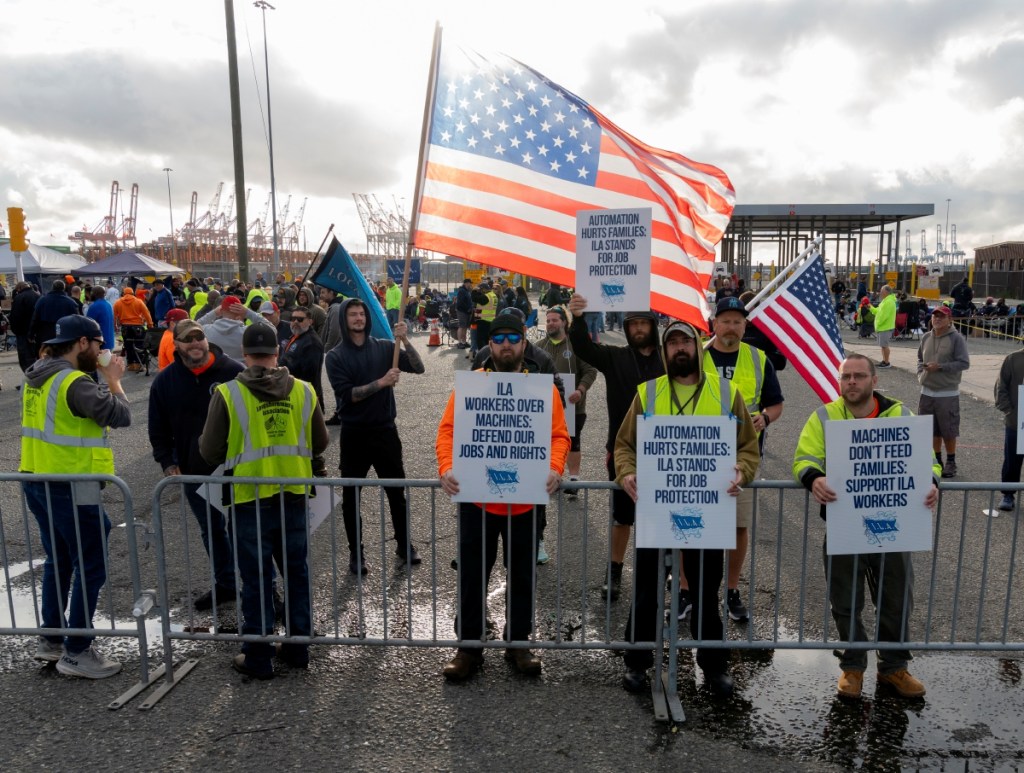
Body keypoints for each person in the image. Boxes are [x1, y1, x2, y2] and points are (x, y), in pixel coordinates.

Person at [613, 320, 759, 697]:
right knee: (646, 590)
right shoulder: (647, 393)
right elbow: (624, 445)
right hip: (656, 509)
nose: (679, 348)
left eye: (685, 342)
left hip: (707, 511)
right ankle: (637, 662)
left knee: (706, 592)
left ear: (697, 347)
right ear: (665, 351)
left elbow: (747, 445)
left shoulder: (728, 393)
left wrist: (742, 470)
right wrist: (626, 473)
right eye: (672, 343)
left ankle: (713, 666)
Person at [793, 353, 939, 699]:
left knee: (896, 599)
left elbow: (927, 460)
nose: (852, 383)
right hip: (845, 524)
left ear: (875, 380)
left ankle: (894, 668)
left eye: (859, 376)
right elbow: (804, 457)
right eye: (846, 377)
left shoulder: (900, 415)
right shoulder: (824, 415)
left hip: (895, 525)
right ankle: (853, 667)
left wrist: (932, 481)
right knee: (845, 600)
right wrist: (813, 478)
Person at [436, 312, 570, 680]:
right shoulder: (470, 386)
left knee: (523, 574)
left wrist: (556, 467)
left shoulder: (540, 387)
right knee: (472, 574)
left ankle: (519, 643)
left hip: (525, 500)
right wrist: (446, 467)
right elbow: (447, 431)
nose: (507, 344)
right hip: (477, 500)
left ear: (524, 344)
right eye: (499, 339)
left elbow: (560, 436)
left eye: (514, 337)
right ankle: (468, 646)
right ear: (489, 346)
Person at [199, 323, 329, 679]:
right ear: (277, 353)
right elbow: (319, 443)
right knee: (297, 573)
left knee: (256, 579)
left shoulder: (228, 393)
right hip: (294, 494)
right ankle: (298, 647)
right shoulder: (303, 391)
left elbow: (209, 452)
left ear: (244, 355)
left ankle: (257, 655)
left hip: (249, 500)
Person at [20, 314, 131, 678]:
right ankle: (77, 651)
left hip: (37, 478)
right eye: (99, 344)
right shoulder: (73, 381)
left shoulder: (38, 373)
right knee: (91, 562)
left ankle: (52, 640)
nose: (102, 350)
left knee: (60, 560)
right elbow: (121, 416)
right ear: (81, 343)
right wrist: (113, 381)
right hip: (71, 484)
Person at [568, 294, 664, 601]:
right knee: (622, 516)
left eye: (643, 324)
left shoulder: (669, 359)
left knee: (664, 514)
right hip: (624, 451)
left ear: (652, 326)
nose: (638, 329)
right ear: (626, 328)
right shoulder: (616, 357)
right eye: (632, 324)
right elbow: (583, 348)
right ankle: (615, 570)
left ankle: (670, 571)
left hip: (666, 451)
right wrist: (579, 318)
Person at [149, 318, 244, 609]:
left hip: (238, 468)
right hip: (195, 471)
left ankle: (265, 591)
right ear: (176, 345)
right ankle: (225, 585)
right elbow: (158, 427)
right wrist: (167, 461)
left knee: (249, 531)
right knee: (212, 530)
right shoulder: (165, 381)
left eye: (199, 337)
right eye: (187, 339)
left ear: (207, 339)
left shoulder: (234, 372)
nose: (195, 344)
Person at [700, 296, 785, 624]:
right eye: (726, 321)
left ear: (745, 326)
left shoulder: (758, 358)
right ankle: (688, 590)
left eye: (738, 321)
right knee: (694, 525)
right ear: (715, 324)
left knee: (737, 526)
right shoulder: (698, 356)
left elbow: (776, 404)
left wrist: (765, 417)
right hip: (701, 456)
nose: (731, 327)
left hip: (742, 457)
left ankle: (731, 590)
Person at [325, 298, 425, 574]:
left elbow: (418, 367)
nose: (358, 318)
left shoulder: (384, 348)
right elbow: (348, 395)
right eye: (353, 315)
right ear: (344, 320)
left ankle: (404, 545)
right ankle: (356, 554)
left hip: (385, 432)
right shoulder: (335, 356)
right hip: (354, 434)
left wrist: (404, 340)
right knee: (351, 497)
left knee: (397, 493)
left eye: (362, 314)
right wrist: (382, 382)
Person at [536, 305, 598, 506]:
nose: (551, 323)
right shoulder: (538, 347)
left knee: (572, 441)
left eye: (555, 320)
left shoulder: (576, 346)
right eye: (548, 320)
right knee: (547, 442)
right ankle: (552, 476)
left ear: (564, 322)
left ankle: (573, 479)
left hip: (573, 407)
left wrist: (580, 390)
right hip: (546, 408)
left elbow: (590, 371)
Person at [916, 305, 970, 479]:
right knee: (930, 430)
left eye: (941, 316)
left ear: (949, 320)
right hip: (926, 392)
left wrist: (940, 367)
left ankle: (951, 461)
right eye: (935, 316)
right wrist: (921, 373)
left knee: (948, 430)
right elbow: (919, 358)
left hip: (947, 393)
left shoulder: (957, 339)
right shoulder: (925, 337)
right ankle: (936, 460)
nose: (937, 319)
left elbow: (964, 363)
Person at [196, 294, 273, 363]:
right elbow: (272, 329)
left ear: (221, 311)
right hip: (242, 376)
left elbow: (192, 326)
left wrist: (213, 313)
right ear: (240, 312)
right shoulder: (247, 332)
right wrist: (248, 312)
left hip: (216, 376)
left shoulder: (208, 330)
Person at [994, 343, 1024, 512]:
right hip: (1016, 422)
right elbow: (1001, 387)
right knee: (1012, 460)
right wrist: (1009, 411)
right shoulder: (1013, 359)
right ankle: (1008, 494)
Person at [281, 306, 325, 411]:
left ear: (310, 322)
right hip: (292, 392)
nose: (295, 322)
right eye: (293, 319)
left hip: (304, 398)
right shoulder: (297, 335)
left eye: (300, 319)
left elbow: (309, 377)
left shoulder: (311, 343)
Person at [30, 279, 79, 357]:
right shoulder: (71, 302)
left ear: (52, 288)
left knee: (46, 358)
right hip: (65, 336)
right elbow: (77, 321)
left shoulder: (42, 300)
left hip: (45, 335)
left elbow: (35, 319)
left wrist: (31, 335)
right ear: (64, 288)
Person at [112, 286, 154, 372]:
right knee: (139, 346)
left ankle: (131, 365)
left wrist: (115, 326)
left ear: (123, 293)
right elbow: (147, 313)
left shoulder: (118, 303)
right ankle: (139, 364)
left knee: (128, 346)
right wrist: (150, 324)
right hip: (137, 327)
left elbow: (114, 316)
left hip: (125, 327)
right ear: (132, 293)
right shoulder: (138, 301)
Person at [10, 281, 41, 375]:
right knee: (37, 356)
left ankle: (29, 378)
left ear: (19, 289)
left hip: (22, 332)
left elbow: (15, 316)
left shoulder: (19, 298)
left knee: (25, 358)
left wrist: (15, 330)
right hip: (37, 332)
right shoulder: (38, 296)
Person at [85, 286, 116, 355]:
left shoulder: (94, 306)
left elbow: (87, 324)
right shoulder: (109, 304)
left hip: (100, 343)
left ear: (94, 294)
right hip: (110, 341)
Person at [872, 285, 896, 368]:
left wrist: (878, 324)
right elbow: (877, 311)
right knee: (883, 345)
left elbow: (884, 316)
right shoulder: (885, 301)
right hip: (883, 327)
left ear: (886, 292)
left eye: (882, 291)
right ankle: (884, 360)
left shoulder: (889, 302)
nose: (880, 293)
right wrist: (870, 307)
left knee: (885, 345)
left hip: (885, 327)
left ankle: (887, 362)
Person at [453, 277, 474, 349]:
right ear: (466, 283)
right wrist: (467, 309)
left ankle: (464, 342)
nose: (470, 285)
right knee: (461, 326)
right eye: (470, 283)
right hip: (462, 311)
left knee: (465, 327)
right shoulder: (462, 291)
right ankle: (459, 342)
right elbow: (461, 302)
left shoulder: (467, 291)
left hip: (466, 311)